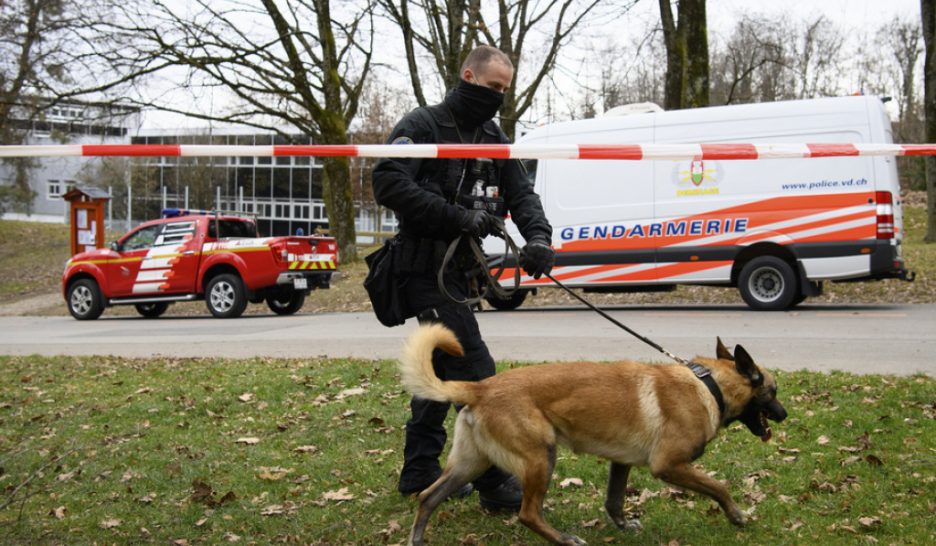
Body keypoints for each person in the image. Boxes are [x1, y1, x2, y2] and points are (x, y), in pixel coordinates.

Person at [371, 45, 555, 511]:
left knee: (439, 372)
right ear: (467, 75)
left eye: (504, 91)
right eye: (492, 86)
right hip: (422, 268)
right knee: (477, 374)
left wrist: (537, 239)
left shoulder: (493, 136)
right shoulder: (422, 125)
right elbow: (388, 182)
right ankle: (495, 483)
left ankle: (419, 469)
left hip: (462, 274)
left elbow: (522, 193)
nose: (497, 97)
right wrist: (456, 216)